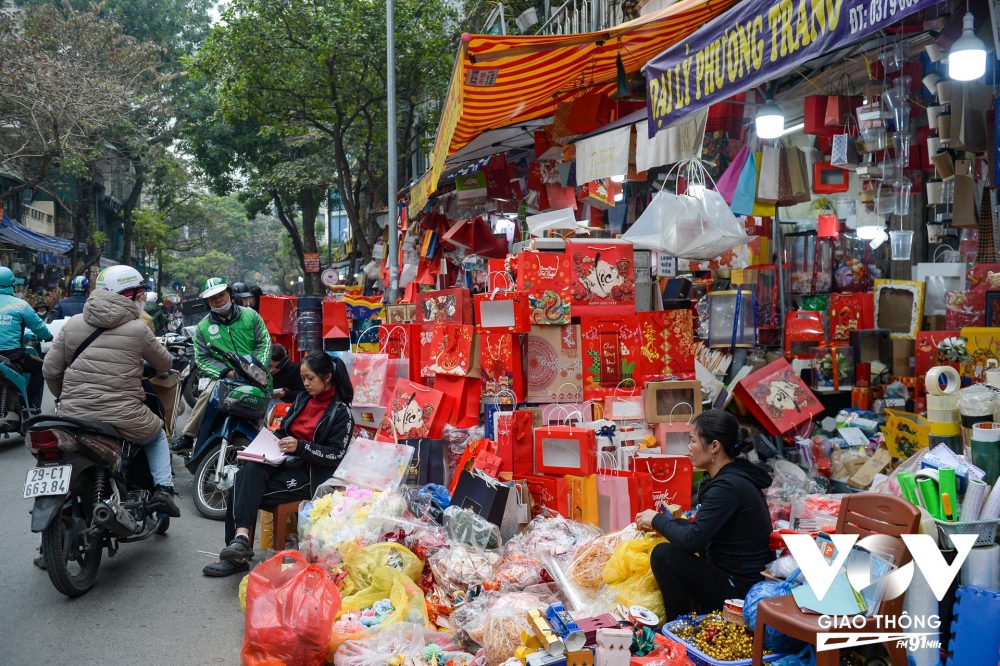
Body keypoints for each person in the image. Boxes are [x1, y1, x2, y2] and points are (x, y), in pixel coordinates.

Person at [41, 265, 180, 518]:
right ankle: (163, 490)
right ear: (127, 295)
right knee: (157, 433)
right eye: (139, 295)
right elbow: (165, 364)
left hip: (72, 415)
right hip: (122, 415)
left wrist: (63, 398)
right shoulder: (138, 329)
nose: (141, 301)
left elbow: (50, 371)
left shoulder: (73, 323)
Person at [203, 352, 354, 577]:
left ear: (328, 377)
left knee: (243, 491)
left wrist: (300, 447)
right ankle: (240, 542)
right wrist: (268, 442)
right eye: (303, 378)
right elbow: (285, 431)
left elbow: (336, 454)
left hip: (309, 476)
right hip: (283, 463)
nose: (305, 383)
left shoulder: (341, 412)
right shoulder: (302, 399)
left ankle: (238, 554)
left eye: (310, 378)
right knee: (249, 471)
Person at [635, 410, 772, 621]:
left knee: (664, 555)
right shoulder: (734, 476)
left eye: (693, 440)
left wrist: (656, 519)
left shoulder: (727, 487)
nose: (689, 447)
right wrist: (665, 525)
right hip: (732, 576)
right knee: (679, 524)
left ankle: (678, 627)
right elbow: (699, 538)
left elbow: (693, 542)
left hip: (739, 591)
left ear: (714, 446)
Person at [170, 277, 271, 453]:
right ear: (207, 302)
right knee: (209, 393)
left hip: (257, 377)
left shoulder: (251, 316)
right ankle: (188, 436)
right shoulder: (203, 327)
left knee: (268, 417)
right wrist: (227, 372)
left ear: (229, 295)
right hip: (226, 378)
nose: (218, 300)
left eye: (221, 295)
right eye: (212, 298)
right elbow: (202, 358)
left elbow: (264, 343)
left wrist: (254, 369)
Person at [0, 267, 52, 410]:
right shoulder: (20, 305)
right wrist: (48, 336)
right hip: (13, 356)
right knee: (42, 367)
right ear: (12, 284)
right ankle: (26, 404)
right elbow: (40, 328)